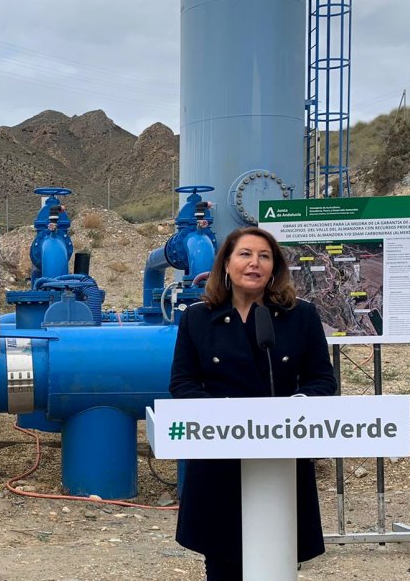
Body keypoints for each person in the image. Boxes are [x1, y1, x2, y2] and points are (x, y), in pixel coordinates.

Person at [169, 226, 337, 581]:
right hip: (220, 457)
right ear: (226, 264)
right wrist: (220, 415)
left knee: (276, 556)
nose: (254, 263)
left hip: (281, 456)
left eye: (264, 256)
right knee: (223, 560)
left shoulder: (301, 316)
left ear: (274, 267)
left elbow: (322, 380)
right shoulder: (198, 318)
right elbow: (182, 383)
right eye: (245, 254)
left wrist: (297, 406)